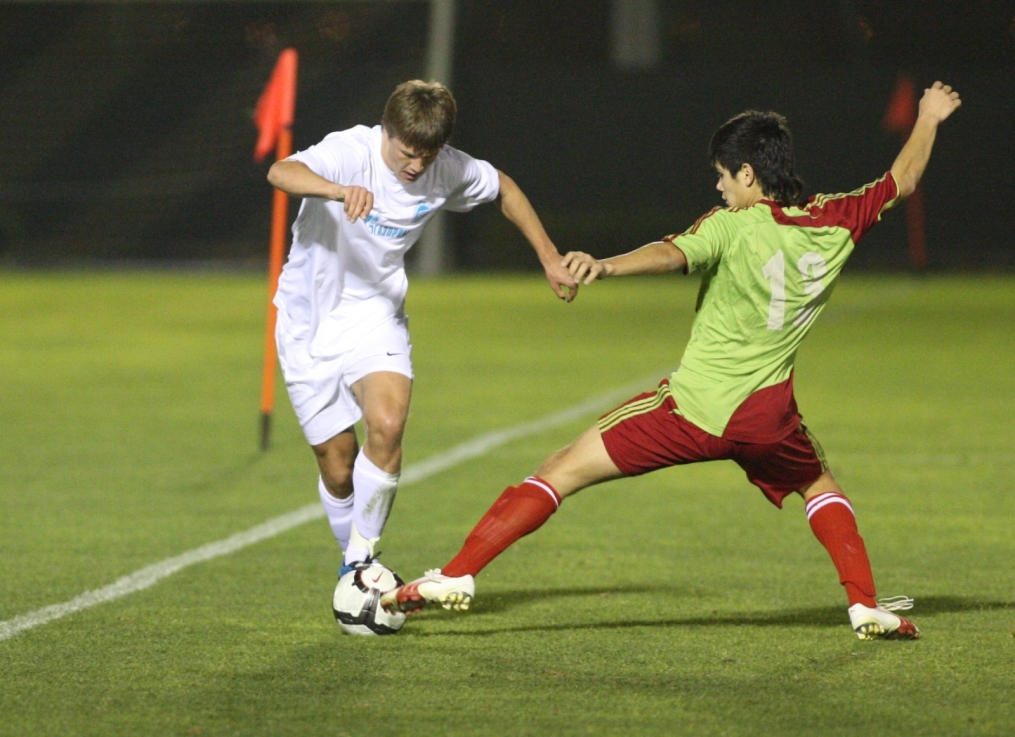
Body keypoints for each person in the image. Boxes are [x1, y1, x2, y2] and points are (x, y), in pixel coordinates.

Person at [382, 81, 963, 641]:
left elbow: (669, 252)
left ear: (748, 174)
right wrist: (929, 117)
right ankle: (864, 604)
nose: (719, 188)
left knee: (562, 467)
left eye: (721, 176)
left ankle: (457, 573)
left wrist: (605, 266)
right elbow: (903, 179)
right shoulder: (837, 219)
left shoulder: (732, 227)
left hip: (692, 411)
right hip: (769, 419)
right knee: (818, 482)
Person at [267, 80, 576, 581]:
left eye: (426, 157)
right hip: (308, 319)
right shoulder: (350, 151)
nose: (415, 166)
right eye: (408, 153)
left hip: (375, 312)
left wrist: (549, 258)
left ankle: (361, 565)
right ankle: (354, 561)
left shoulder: (446, 167)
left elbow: (504, 188)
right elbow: (281, 171)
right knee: (338, 466)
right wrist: (337, 189)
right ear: (387, 131)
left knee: (387, 424)